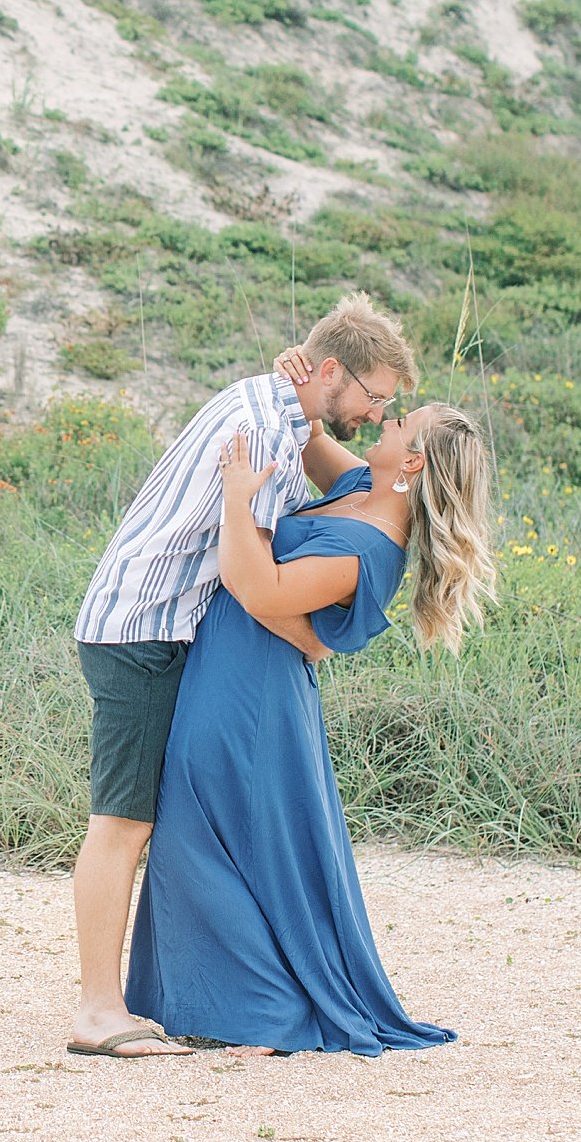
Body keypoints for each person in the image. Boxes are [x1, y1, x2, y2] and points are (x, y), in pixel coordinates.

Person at [66, 295, 422, 1058]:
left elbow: (344, 476)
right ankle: (99, 1010)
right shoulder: (264, 429)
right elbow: (250, 576)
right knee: (123, 823)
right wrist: (313, 642)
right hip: (143, 629)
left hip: (158, 624)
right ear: (331, 371)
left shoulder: (279, 411)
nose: (380, 411)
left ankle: (159, 994)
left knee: (145, 822)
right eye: (376, 395)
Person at [123, 347, 498, 1056]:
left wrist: (238, 503)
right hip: (233, 670)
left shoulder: (367, 548)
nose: (382, 421)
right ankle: (240, 1001)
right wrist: (296, 372)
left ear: (412, 464)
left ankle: (261, 1013)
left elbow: (255, 585)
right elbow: (315, 433)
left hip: (250, 693)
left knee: (200, 829)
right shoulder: (363, 486)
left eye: (398, 423)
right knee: (218, 832)